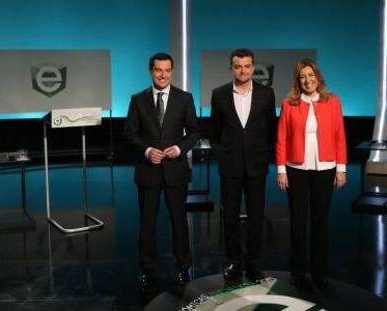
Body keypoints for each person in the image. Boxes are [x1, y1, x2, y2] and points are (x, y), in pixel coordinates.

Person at [124, 52, 199, 291]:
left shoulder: (184, 98)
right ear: (150, 71)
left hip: (175, 170)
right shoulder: (138, 99)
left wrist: (179, 148)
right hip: (148, 171)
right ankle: (146, 270)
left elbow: (194, 133)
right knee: (147, 223)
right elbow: (130, 133)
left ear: (172, 71)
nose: (163, 75)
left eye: (167, 70)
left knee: (179, 222)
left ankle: (182, 267)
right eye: (158, 70)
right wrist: (147, 150)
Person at [276, 58, 347, 288]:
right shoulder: (290, 103)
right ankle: (298, 271)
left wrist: (341, 169)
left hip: (325, 169)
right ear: (298, 81)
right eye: (302, 77)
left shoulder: (333, 101)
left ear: (318, 77)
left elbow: (339, 136)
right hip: (295, 169)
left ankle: (319, 272)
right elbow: (282, 138)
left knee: (320, 222)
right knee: (298, 222)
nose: (307, 80)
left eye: (311, 75)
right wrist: (281, 169)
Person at [210, 48, 276, 282]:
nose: (243, 70)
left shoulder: (267, 94)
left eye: (247, 66)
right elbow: (215, 131)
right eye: (238, 66)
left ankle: (254, 264)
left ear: (253, 67)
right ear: (231, 68)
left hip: (257, 164)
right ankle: (235, 263)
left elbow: (270, 128)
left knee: (256, 216)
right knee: (230, 217)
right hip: (230, 164)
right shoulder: (218, 94)